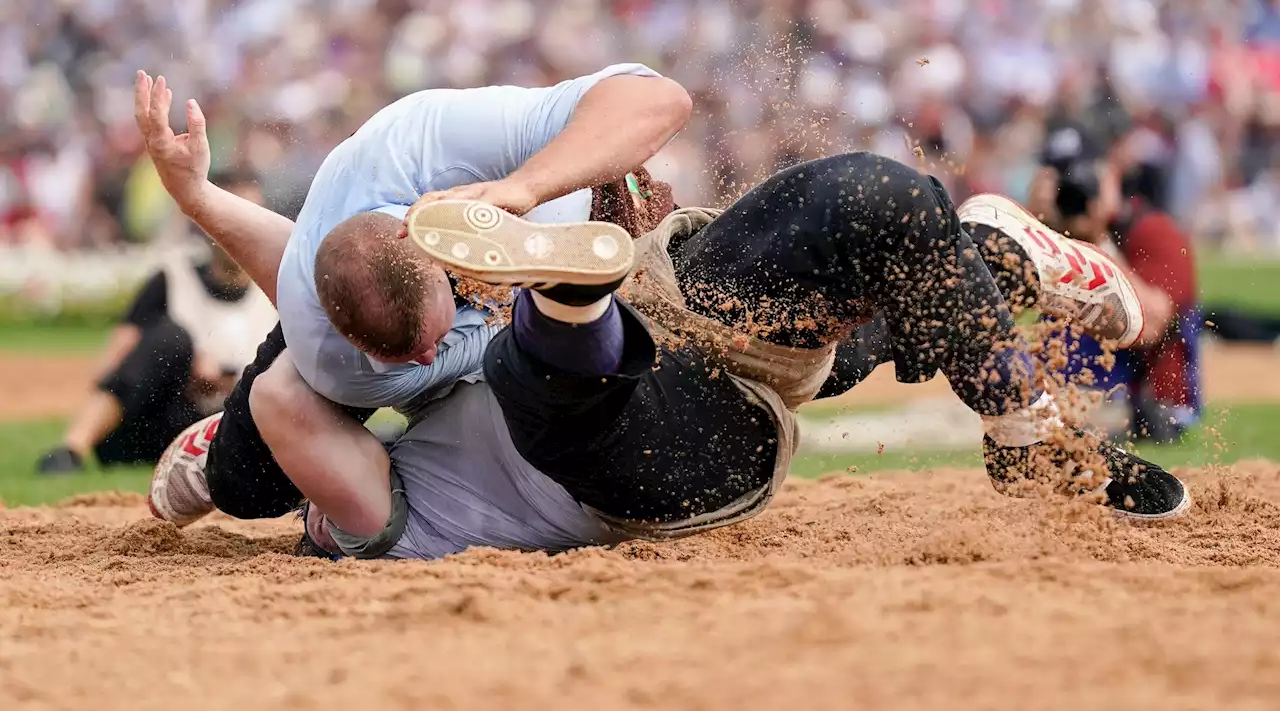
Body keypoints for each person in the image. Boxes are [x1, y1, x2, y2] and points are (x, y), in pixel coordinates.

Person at [154, 148, 1188, 560]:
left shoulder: (395, 414)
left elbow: (315, 317)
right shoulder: (367, 528)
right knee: (534, 382)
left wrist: (204, 202)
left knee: (881, 203)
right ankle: (567, 288)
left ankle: (1000, 312)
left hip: (682, 313)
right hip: (658, 464)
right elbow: (290, 389)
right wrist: (213, 461)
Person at [132, 64, 689, 524]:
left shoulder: (432, 140)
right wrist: (196, 199)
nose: (426, 356)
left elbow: (661, 100)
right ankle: (220, 451)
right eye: (404, 353)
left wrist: (525, 187)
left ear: (443, 263)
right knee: (249, 489)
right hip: (354, 312)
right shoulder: (336, 354)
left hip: (549, 211)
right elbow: (296, 268)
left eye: (429, 338)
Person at [36, 169, 276, 474]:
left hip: (224, 431)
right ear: (205, 224)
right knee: (171, 339)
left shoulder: (275, 290)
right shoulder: (173, 278)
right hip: (154, 423)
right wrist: (186, 366)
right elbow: (110, 368)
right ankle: (71, 451)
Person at [1032, 158, 1200, 442]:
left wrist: (1098, 248)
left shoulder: (1151, 232)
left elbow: (1153, 325)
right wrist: (1033, 227)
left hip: (1136, 403)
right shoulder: (1050, 240)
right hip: (1064, 394)